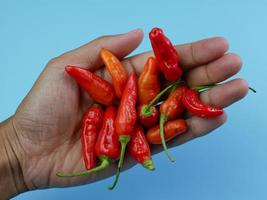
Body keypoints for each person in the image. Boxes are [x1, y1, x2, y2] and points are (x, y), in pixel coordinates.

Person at [0, 29, 248, 199]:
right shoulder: (127, 117)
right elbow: (129, 101)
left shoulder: (139, 113)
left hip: (143, 115)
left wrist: (18, 151)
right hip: (137, 117)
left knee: (151, 105)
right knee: (142, 106)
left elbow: (133, 100)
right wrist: (16, 152)